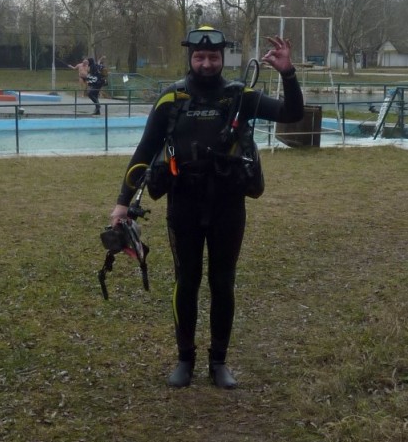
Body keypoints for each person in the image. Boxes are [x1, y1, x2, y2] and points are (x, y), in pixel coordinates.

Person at [110, 26, 304, 389]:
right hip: (182, 204)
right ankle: (185, 359)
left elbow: (292, 113)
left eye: (213, 57)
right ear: (191, 58)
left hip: (228, 205)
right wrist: (122, 203)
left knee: (222, 282)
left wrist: (288, 73)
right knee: (187, 281)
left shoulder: (239, 96)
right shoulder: (172, 99)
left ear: (222, 58)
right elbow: (145, 151)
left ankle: (219, 362)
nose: (206, 63)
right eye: (199, 57)